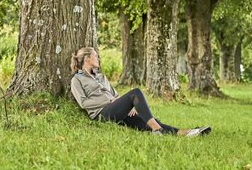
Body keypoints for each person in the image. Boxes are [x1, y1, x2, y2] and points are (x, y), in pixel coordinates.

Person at [70, 47, 211, 137]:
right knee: (135, 93)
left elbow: (115, 95)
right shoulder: (77, 80)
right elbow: (83, 102)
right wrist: (110, 101)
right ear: (87, 58)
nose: (98, 58)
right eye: (95, 55)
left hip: (115, 110)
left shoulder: (100, 76)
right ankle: (158, 131)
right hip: (101, 113)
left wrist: (127, 105)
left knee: (148, 121)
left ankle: (188, 132)